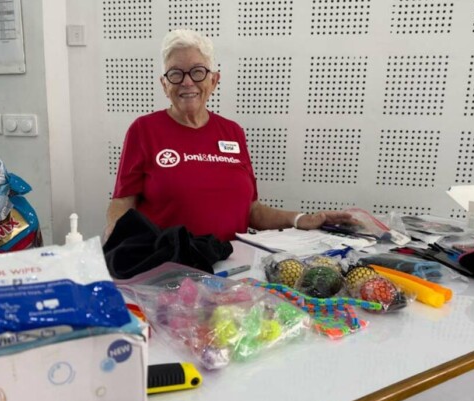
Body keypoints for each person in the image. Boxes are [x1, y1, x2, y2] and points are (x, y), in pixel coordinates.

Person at [106, 29, 351, 242]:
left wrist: (302, 219)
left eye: (197, 71)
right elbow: (122, 205)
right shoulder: (144, 130)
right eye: (176, 74)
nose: (187, 82)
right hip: (168, 271)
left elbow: (251, 211)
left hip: (232, 270)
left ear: (214, 80)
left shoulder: (232, 132)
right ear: (164, 84)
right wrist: (118, 247)